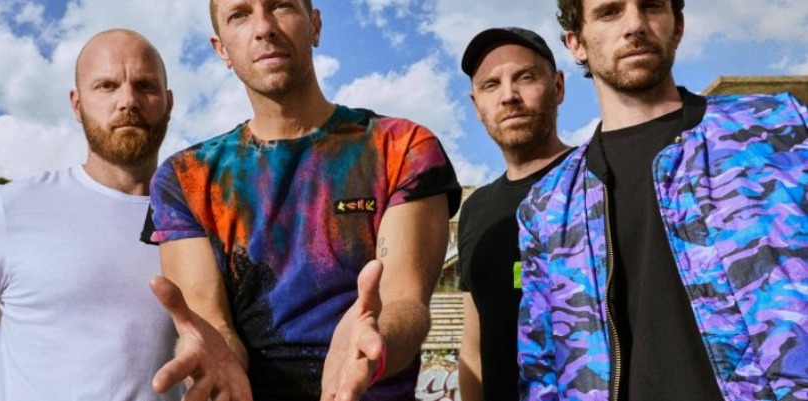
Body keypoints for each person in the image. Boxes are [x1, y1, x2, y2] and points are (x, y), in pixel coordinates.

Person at [141, 0, 462, 400]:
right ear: (221, 48)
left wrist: (375, 342)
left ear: (315, 25)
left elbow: (404, 300)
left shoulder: (402, 148)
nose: (264, 28)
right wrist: (209, 355)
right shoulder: (186, 177)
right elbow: (212, 322)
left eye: (280, 6)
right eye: (239, 15)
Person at [517, 0, 808, 400]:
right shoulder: (547, 204)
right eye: (610, 12)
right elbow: (540, 369)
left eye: (651, 6)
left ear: (678, 26)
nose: (635, 24)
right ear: (576, 43)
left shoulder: (778, 128)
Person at [0, 29, 180, 401]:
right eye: (107, 86)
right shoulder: (4, 211)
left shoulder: (200, 223)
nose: (128, 101)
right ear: (77, 104)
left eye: (145, 86)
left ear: (168, 102)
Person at [454, 27, 571, 401]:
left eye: (525, 77)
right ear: (476, 105)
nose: (509, 96)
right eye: (491, 85)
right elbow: (474, 347)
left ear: (558, 87)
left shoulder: (599, 177)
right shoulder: (475, 210)